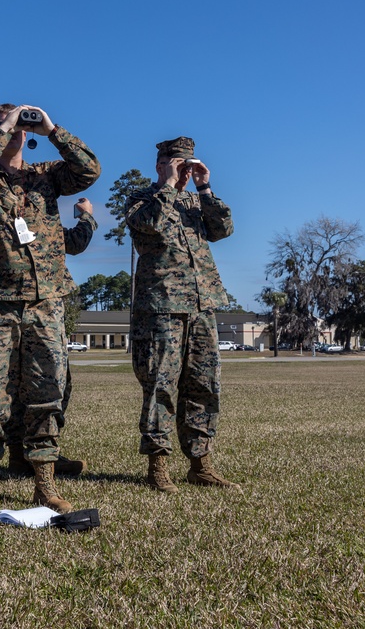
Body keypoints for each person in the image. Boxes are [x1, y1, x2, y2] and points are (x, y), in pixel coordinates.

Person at [0, 103, 101, 513]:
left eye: (22, 127)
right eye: (9, 127)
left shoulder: (47, 176)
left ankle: (44, 484)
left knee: (47, 392)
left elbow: (89, 170)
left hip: (45, 302)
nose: (19, 132)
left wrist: (53, 129)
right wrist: (3, 128)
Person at [125, 136, 239, 493]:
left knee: (204, 386)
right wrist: (170, 186)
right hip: (161, 307)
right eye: (179, 166)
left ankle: (200, 464)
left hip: (202, 304)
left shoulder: (195, 201)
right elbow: (151, 224)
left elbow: (223, 230)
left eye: (189, 166)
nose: (185, 173)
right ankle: (158, 466)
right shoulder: (142, 200)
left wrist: (205, 188)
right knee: (160, 386)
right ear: (160, 165)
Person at [3, 197, 97, 477]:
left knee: (54, 383)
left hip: (45, 304)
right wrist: (86, 217)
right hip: (12, 305)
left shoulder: (46, 221)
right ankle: (23, 456)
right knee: (18, 385)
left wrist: (85, 218)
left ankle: (39, 454)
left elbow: (75, 243)